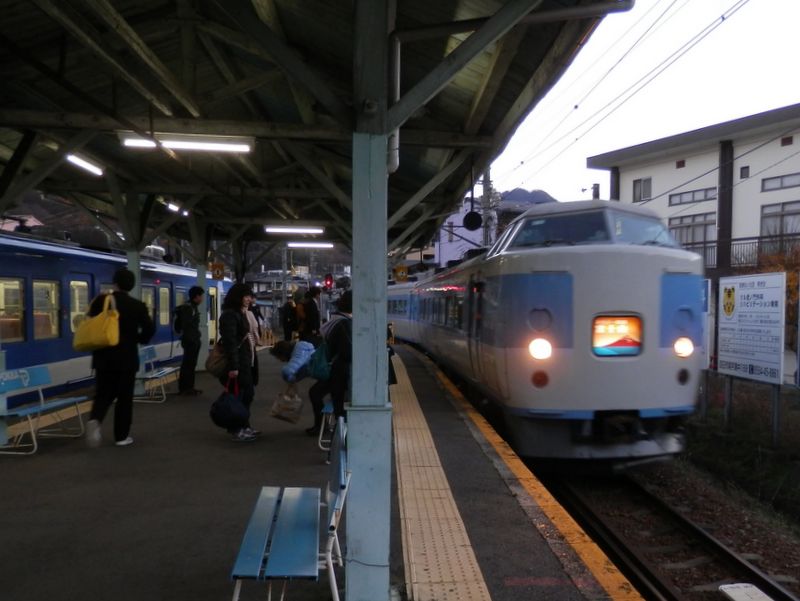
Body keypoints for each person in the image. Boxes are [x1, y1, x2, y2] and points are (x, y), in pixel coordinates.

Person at [86, 268, 156, 448]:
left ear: (114, 282)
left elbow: (89, 323)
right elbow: (149, 329)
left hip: (103, 356)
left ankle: (95, 419)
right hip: (126, 358)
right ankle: (121, 437)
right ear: (131, 285)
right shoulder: (137, 305)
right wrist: (138, 339)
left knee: (102, 394)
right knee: (124, 398)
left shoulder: (100, 301)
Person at [306, 289, 352, 435]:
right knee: (334, 402)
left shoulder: (336, 322)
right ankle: (330, 432)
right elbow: (347, 352)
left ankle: (325, 429)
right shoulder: (345, 324)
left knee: (318, 394)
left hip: (337, 371)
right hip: (341, 371)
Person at [218, 283, 260, 442]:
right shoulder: (230, 315)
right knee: (241, 396)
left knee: (247, 395)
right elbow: (230, 343)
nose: (250, 299)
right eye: (246, 296)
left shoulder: (240, 313)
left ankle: (245, 426)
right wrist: (234, 366)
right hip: (239, 363)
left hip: (246, 361)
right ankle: (237, 428)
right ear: (238, 297)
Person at [175, 285, 204, 396]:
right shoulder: (189, 308)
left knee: (191, 364)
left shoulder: (192, 307)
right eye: (200, 296)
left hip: (192, 339)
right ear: (196, 297)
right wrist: (193, 338)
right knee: (188, 365)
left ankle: (189, 387)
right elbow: (186, 326)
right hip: (190, 340)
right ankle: (184, 388)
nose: (201, 299)